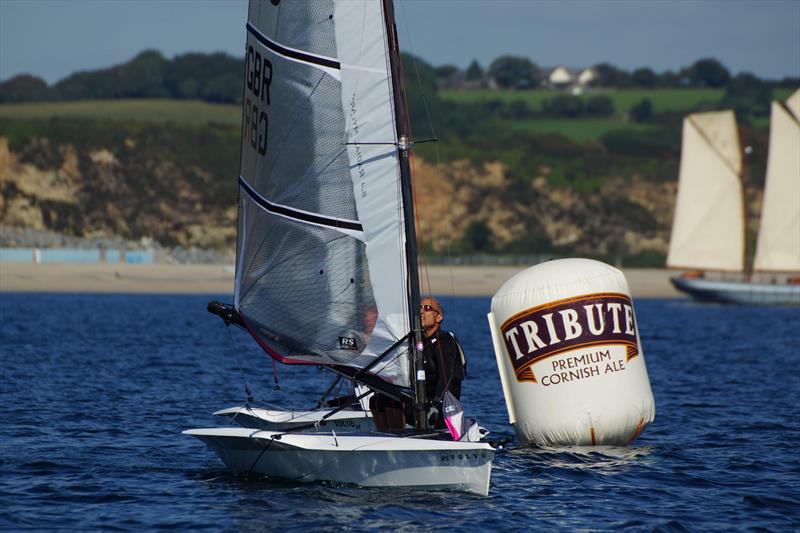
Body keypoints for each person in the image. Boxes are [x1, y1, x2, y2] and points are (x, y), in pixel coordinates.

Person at [420, 297, 467, 429]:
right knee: (380, 401)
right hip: (421, 405)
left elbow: (447, 376)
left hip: (441, 409)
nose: (422, 312)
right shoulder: (419, 343)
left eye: (427, 308)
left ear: (439, 317)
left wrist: (436, 404)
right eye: (419, 309)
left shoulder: (444, 342)